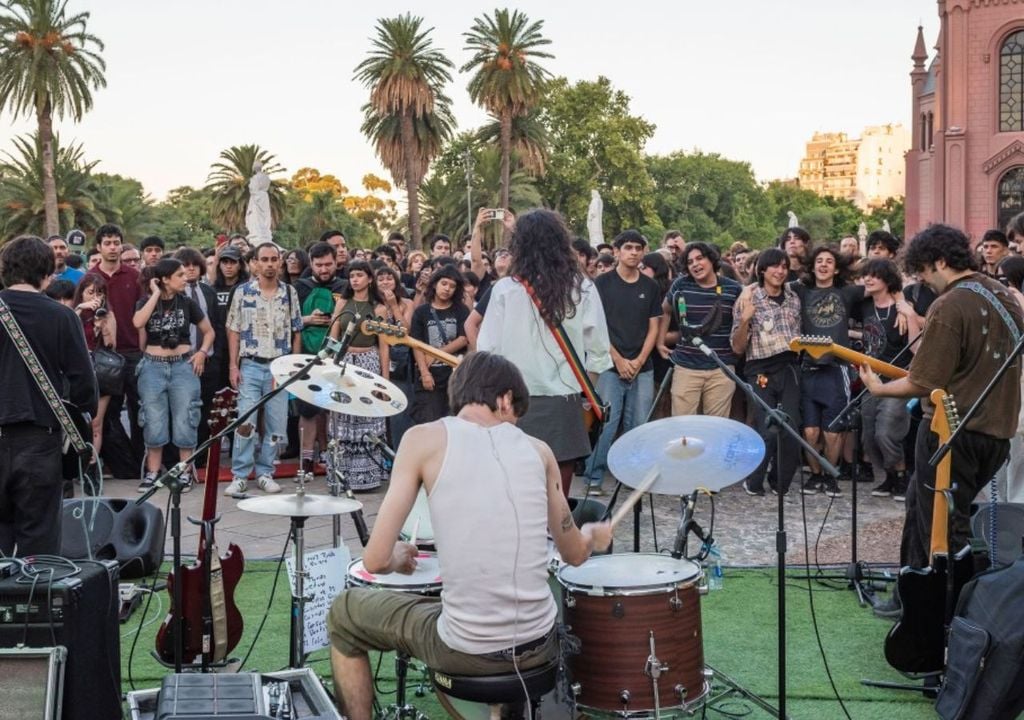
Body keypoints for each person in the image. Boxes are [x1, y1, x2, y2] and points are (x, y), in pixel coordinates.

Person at [327, 351, 612, 720]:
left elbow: (375, 560)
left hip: (467, 650)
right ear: (506, 399)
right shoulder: (539, 451)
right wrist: (591, 534)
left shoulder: (422, 439)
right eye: (517, 414)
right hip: (541, 644)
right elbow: (574, 553)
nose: (516, 424)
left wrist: (398, 556)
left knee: (344, 614)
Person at [860, 224, 1023, 592]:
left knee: (935, 523)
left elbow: (923, 381)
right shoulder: (1003, 294)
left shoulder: (949, 304)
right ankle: (928, 599)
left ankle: (930, 606)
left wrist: (879, 388)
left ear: (940, 261)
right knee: (942, 514)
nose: (924, 280)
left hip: (951, 433)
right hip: (996, 434)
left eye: (924, 271)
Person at [478, 209, 612, 500]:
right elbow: (600, 352)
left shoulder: (504, 290)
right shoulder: (583, 288)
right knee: (557, 497)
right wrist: (584, 393)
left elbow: (486, 351)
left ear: (520, 246)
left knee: (515, 492)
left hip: (513, 402)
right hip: (565, 401)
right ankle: (557, 544)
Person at [0, 235, 97, 556]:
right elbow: (84, 384)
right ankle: (34, 604)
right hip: (39, 440)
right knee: (38, 545)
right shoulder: (61, 316)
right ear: (47, 273)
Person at [583, 230, 662, 494]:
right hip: (609, 364)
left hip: (643, 367)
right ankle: (594, 475)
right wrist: (617, 359)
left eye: (638, 248)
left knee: (638, 425)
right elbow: (596, 327)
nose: (633, 252)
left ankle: (632, 473)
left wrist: (639, 361)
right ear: (616, 251)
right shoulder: (601, 284)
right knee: (607, 421)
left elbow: (654, 327)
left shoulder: (650, 286)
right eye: (628, 247)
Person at [224, 242, 303, 496]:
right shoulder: (243, 292)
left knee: (276, 423)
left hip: (279, 366)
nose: (269, 264)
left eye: (274, 259)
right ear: (255, 263)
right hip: (250, 364)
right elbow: (233, 329)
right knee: (245, 421)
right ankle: (240, 474)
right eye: (264, 259)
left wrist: (294, 365)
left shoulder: (289, 293)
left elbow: (296, 330)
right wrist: (233, 366)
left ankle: (266, 471)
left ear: (280, 262)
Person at [133, 258, 215, 491]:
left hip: (182, 365)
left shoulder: (188, 303)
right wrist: (155, 294)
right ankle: (152, 473)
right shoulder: (145, 302)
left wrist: (200, 353)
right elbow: (138, 322)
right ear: (165, 279)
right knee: (153, 418)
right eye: (179, 275)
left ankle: (184, 472)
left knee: (185, 418)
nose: (185, 277)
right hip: (152, 366)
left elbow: (208, 332)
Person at [731, 248, 803, 496]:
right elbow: (738, 347)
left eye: (784, 266)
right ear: (762, 269)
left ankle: (779, 482)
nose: (780, 271)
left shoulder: (794, 298)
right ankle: (754, 479)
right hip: (759, 367)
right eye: (775, 266)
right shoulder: (749, 299)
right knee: (768, 428)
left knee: (791, 427)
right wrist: (745, 320)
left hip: (790, 366)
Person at [857, 259, 921, 500]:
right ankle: (889, 476)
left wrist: (907, 309)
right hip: (870, 377)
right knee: (869, 435)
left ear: (887, 280)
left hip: (896, 378)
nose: (869, 279)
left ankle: (902, 475)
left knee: (887, 432)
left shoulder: (902, 308)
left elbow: (916, 346)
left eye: (875, 275)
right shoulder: (862, 305)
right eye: (866, 275)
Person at [85, 224, 144, 472]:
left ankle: (142, 464)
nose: (112, 247)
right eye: (107, 243)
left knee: (139, 412)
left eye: (116, 242)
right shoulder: (89, 279)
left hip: (133, 353)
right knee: (105, 416)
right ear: (98, 247)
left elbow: (143, 314)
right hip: (104, 357)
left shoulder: (134, 276)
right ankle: (120, 465)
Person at [659, 241, 742, 418]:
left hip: (721, 368)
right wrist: (660, 342)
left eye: (700, 258)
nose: (695, 264)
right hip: (686, 367)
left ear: (712, 260)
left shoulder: (733, 288)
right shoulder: (680, 285)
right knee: (683, 427)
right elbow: (665, 311)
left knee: (716, 428)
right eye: (690, 262)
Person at [294, 242, 347, 473]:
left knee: (331, 406)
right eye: (319, 265)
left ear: (336, 262)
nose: (324, 269)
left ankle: (329, 453)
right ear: (311, 264)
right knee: (307, 408)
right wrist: (308, 319)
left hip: (337, 356)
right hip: (306, 353)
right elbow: (287, 320)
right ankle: (305, 459)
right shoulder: (298, 287)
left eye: (328, 264)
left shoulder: (346, 287)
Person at [174, 247, 223, 466]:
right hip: (182, 361)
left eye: (194, 264)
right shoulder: (173, 293)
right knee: (184, 409)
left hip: (209, 359)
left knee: (206, 411)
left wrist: (214, 356)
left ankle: (202, 457)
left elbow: (217, 326)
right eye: (185, 265)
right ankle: (181, 457)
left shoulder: (209, 291)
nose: (190, 268)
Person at [409, 265, 468, 424]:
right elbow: (416, 343)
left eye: (452, 286)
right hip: (429, 376)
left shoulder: (461, 310)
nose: (447, 289)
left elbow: (463, 339)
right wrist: (424, 372)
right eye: (444, 284)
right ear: (435, 284)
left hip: (454, 376)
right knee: (429, 423)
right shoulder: (422, 312)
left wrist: (435, 355)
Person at [73, 274, 117, 486]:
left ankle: (92, 467)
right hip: (75, 372)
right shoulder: (72, 313)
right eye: (91, 292)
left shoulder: (107, 314)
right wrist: (81, 308)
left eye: (99, 293)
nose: (95, 297)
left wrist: (103, 325)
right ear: (81, 292)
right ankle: (74, 465)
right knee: (75, 421)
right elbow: (65, 337)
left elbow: (111, 346)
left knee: (96, 423)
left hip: (100, 372)